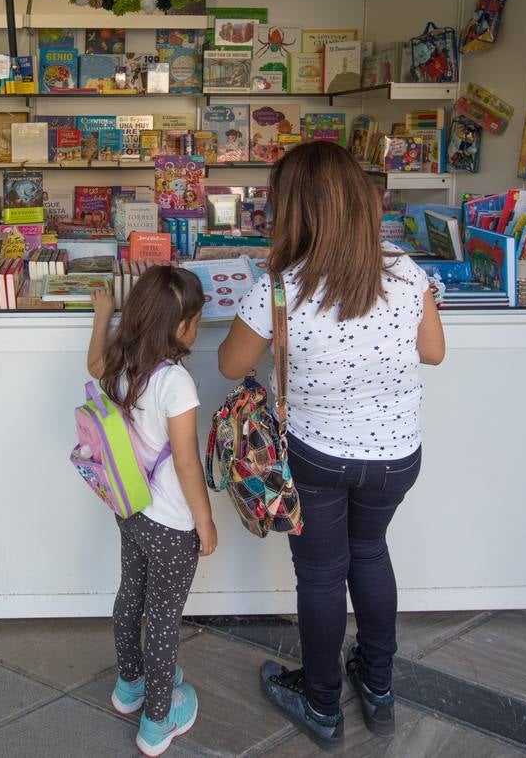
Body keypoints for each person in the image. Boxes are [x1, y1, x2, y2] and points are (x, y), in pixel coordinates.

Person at [218, 142, 445, 750]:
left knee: (320, 575)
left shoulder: (280, 287)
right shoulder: (403, 268)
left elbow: (229, 362)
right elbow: (433, 351)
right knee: (370, 555)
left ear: (295, 210)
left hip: (315, 455)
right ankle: (377, 688)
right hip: (397, 455)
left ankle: (321, 705)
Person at [87, 266, 217, 757]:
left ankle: (129, 686)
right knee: (164, 620)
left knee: (130, 598)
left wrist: (102, 317)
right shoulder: (176, 384)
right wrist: (204, 521)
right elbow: (186, 463)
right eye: (196, 320)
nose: (197, 328)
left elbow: (93, 361)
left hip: (130, 510)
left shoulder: (121, 362)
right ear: (180, 326)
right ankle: (158, 720)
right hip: (170, 523)